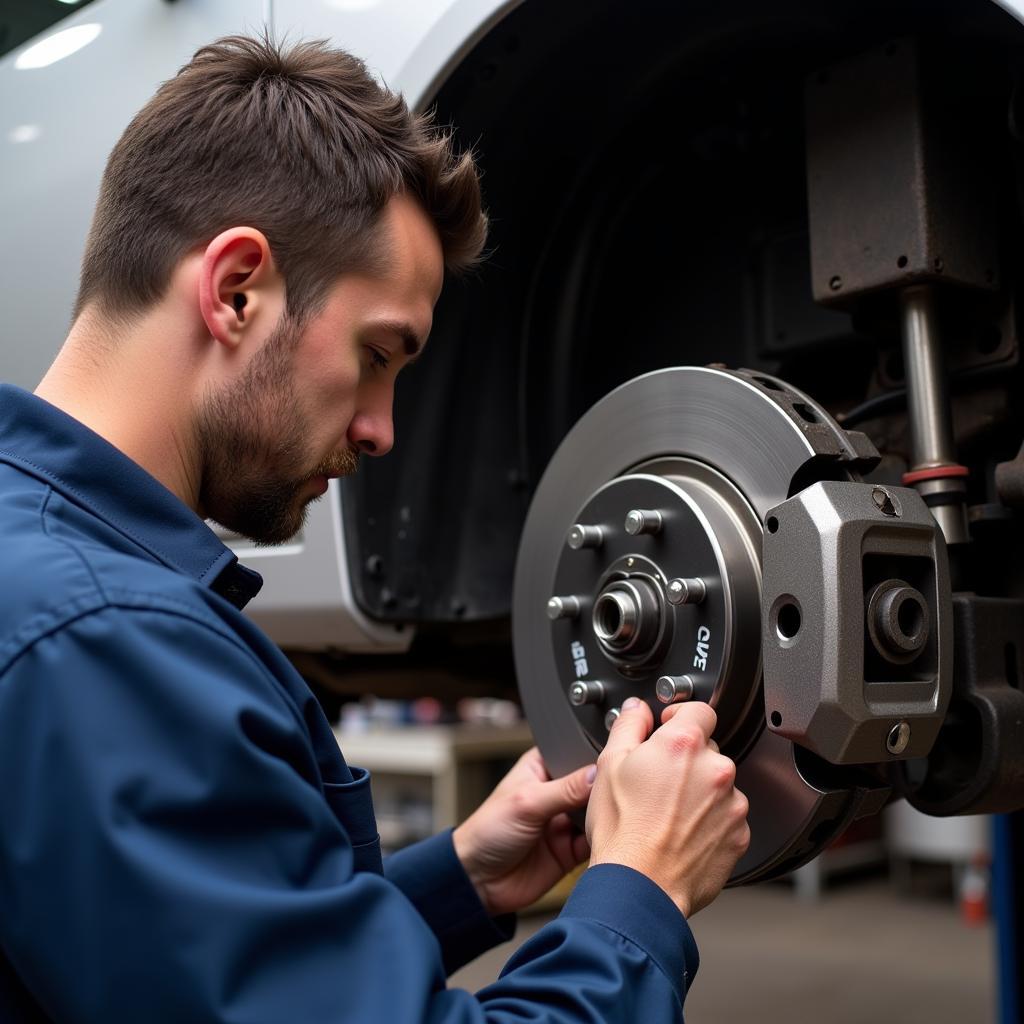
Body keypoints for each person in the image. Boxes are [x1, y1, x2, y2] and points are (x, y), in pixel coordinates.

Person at [0, 34, 750, 1022]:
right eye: (376, 354)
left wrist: (461, 879)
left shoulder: (47, 579)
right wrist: (639, 895)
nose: (382, 430)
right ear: (236, 290)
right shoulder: (102, 643)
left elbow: (172, 964)